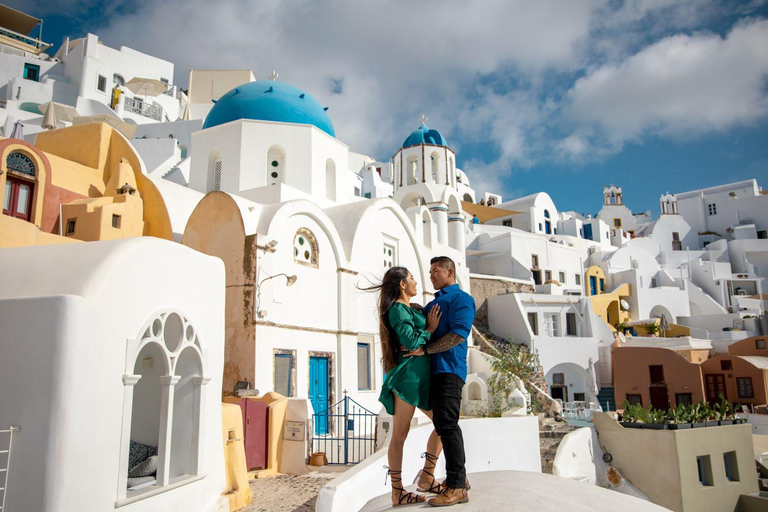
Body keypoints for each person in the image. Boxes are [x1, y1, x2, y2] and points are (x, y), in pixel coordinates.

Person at [370, 266, 447, 507]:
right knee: (400, 435)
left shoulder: (408, 309)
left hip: (419, 379)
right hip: (407, 380)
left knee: (445, 424)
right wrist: (430, 330)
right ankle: (398, 491)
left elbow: (414, 340)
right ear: (402, 284)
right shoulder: (397, 310)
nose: (416, 281)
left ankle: (427, 476)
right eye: (412, 278)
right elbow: (412, 341)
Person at [404, 256, 475, 507]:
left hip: (449, 370)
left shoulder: (462, 299)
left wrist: (426, 350)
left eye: (436, 271)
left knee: (447, 425)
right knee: (442, 424)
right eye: (430, 271)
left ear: (450, 272)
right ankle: (449, 480)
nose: (431, 275)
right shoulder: (435, 302)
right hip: (431, 373)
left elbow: (457, 336)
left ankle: (456, 486)